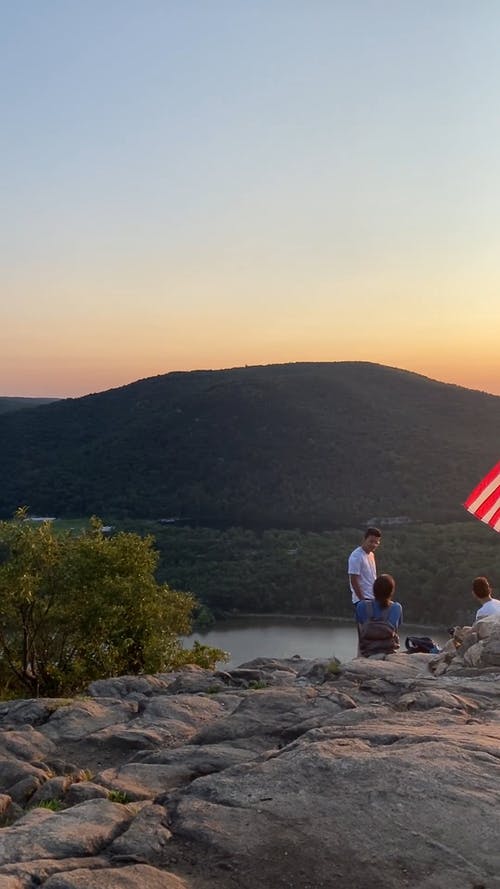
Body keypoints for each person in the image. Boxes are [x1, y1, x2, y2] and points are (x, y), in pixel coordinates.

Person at [356, 573, 403, 657]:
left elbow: (360, 633)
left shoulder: (361, 606)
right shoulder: (397, 608)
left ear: (374, 590)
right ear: (391, 591)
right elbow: (395, 631)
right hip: (389, 654)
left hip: (367, 653)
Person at [348, 527, 381, 605]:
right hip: (362, 600)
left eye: (376, 542)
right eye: (371, 541)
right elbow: (353, 580)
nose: (374, 544)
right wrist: (363, 601)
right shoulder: (356, 556)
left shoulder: (371, 555)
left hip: (373, 598)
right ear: (364, 540)